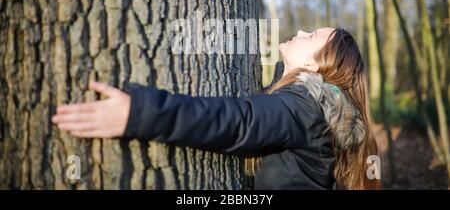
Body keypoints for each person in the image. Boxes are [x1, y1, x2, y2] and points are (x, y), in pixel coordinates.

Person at [52, 27, 380, 189]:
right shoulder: (312, 107)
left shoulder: (304, 107)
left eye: (311, 35)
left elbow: (237, 121)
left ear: (315, 63)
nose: (299, 31)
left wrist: (140, 113)